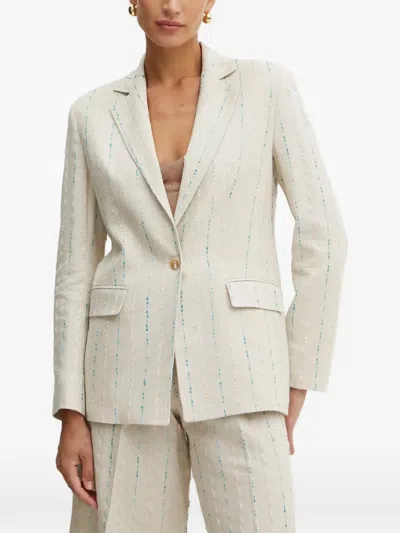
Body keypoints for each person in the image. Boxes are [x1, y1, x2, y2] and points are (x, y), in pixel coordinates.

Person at [52, 1, 348, 532]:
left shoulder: (266, 89)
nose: (172, 5)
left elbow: (323, 234)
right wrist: (71, 410)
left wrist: (298, 374)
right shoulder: (91, 113)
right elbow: (75, 269)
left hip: (243, 367)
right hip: (123, 380)